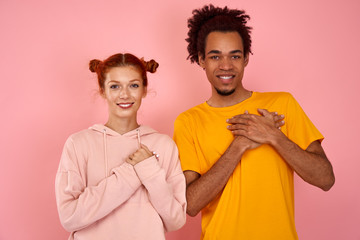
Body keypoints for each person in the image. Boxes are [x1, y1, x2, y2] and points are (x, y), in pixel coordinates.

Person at [173, 4, 335, 240]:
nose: (226, 65)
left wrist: (273, 136)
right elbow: (190, 204)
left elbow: (326, 179)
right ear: (201, 60)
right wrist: (238, 146)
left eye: (235, 56)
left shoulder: (282, 104)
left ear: (246, 58)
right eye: (215, 56)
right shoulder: (188, 121)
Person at [55, 53, 186, 240]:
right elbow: (69, 216)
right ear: (102, 91)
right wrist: (132, 172)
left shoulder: (163, 145)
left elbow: (176, 220)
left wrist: (150, 172)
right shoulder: (78, 144)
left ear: (144, 90)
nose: (124, 95)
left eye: (133, 85)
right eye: (115, 86)